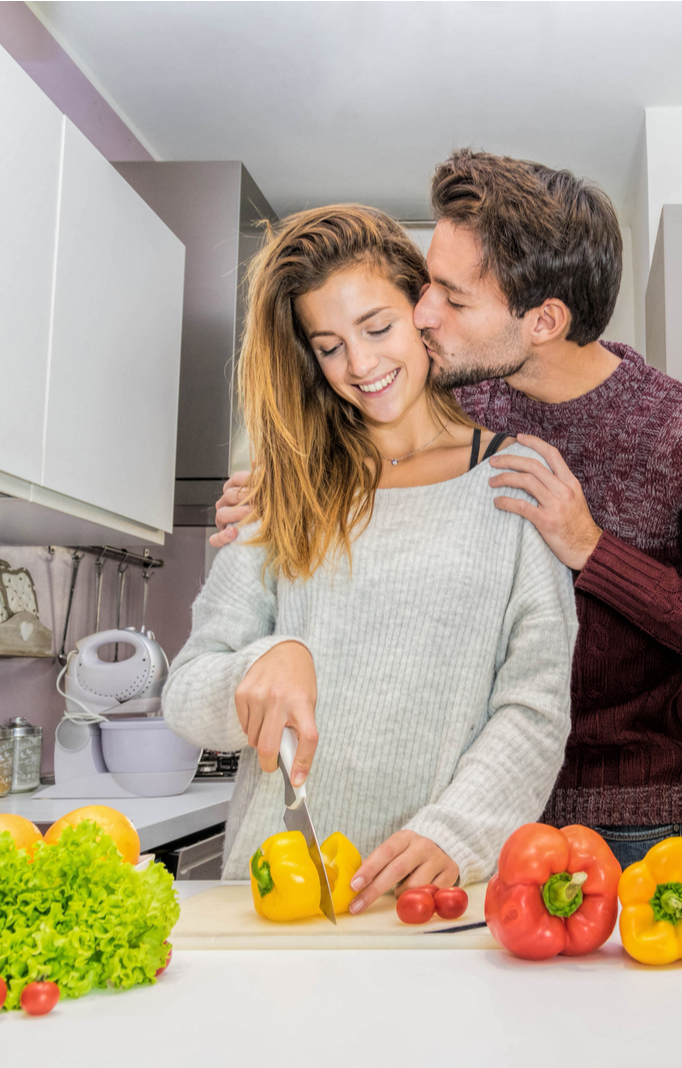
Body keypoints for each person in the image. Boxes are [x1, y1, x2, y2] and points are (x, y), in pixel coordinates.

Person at [214, 151, 682, 867]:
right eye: (428, 282)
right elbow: (348, 434)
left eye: (454, 299)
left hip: (623, 832)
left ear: (544, 320)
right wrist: (282, 489)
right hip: (462, 820)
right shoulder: (461, 397)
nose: (422, 313)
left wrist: (594, 550)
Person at [165, 204, 577, 913]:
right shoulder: (282, 489)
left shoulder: (515, 478)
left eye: (377, 328)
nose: (360, 366)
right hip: (275, 889)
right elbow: (187, 692)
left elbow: (536, 705)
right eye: (328, 346)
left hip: (437, 891)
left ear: (422, 309)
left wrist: (457, 831)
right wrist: (259, 663)